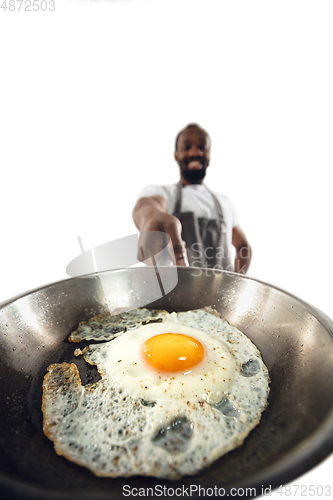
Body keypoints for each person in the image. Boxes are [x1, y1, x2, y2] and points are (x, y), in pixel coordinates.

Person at [132, 123, 252, 273]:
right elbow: (146, 206)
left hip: (219, 297)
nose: (195, 152)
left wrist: (237, 282)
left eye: (202, 147)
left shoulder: (225, 203)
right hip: (176, 296)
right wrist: (151, 218)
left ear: (209, 154)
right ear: (176, 155)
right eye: (187, 147)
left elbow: (243, 247)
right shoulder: (164, 193)